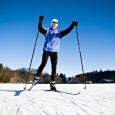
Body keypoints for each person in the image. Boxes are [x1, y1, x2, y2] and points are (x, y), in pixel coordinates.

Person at [32, 16, 78, 90]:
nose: (55, 23)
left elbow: (68, 30)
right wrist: (40, 21)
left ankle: (52, 84)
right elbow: (40, 29)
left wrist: (73, 24)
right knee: (43, 64)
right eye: (53, 22)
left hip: (54, 52)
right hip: (46, 50)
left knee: (54, 67)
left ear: (57, 24)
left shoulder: (59, 33)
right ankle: (36, 78)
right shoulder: (47, 30)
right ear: (51, 23)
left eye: (56, 22)